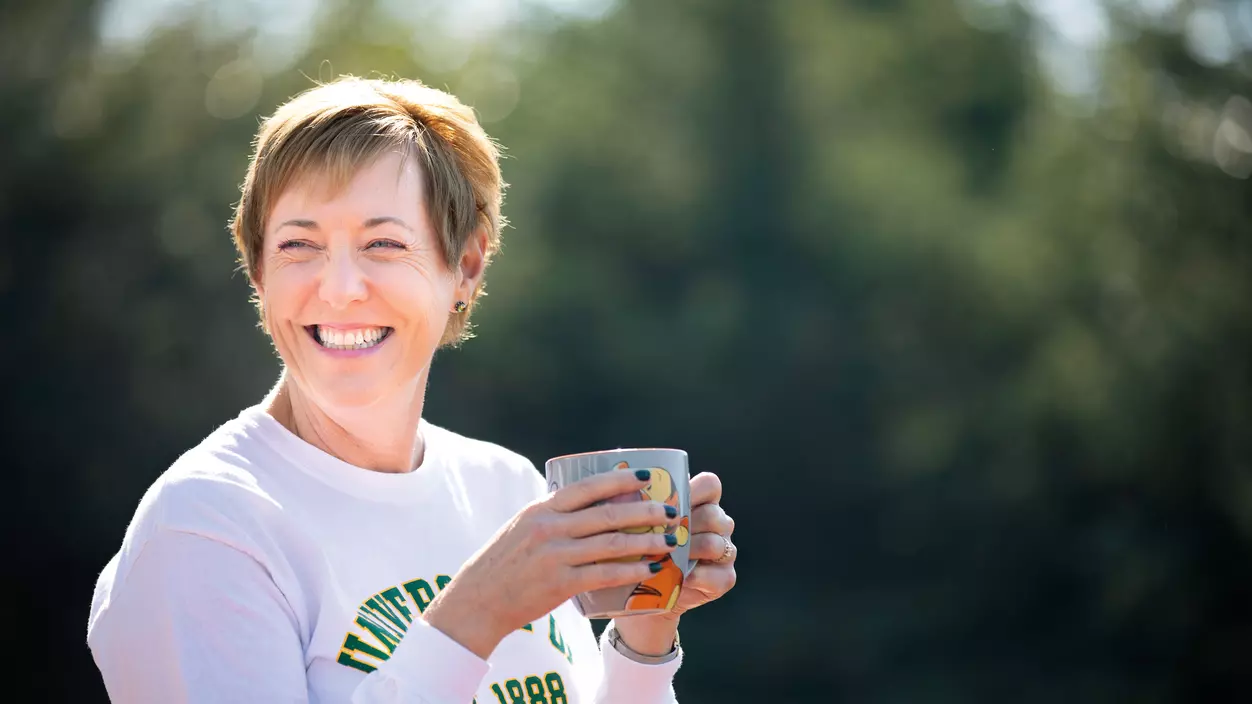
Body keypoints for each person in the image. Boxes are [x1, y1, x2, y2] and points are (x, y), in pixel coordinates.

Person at [86, 76, 738, 703]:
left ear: (467, 267)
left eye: (384, 243)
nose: (339, 287)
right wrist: (474, 616)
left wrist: (646, 637)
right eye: (297, 245)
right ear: (257, 268)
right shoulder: (207, 525)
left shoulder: (506, 488)